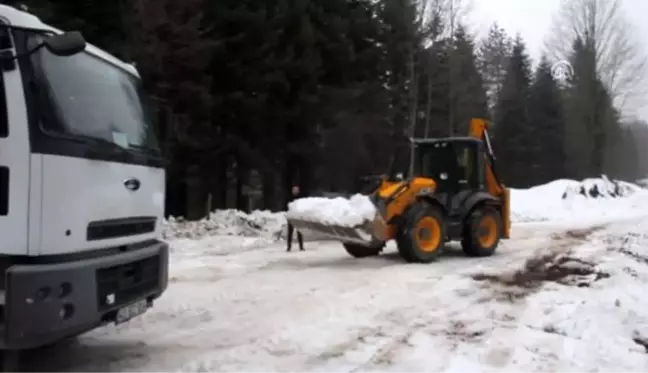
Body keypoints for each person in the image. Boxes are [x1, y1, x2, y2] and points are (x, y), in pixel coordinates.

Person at [287, 185, 305, 252]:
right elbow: (287, 207)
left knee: (299, 232)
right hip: (291, 217)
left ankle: (301, 247)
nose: (295, 191)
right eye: (294, 190)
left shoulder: (300, 198)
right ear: (292, 191)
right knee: (290, 233)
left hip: (298, 217)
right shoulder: (289, 198)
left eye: (296, 190)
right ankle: (289, 247)